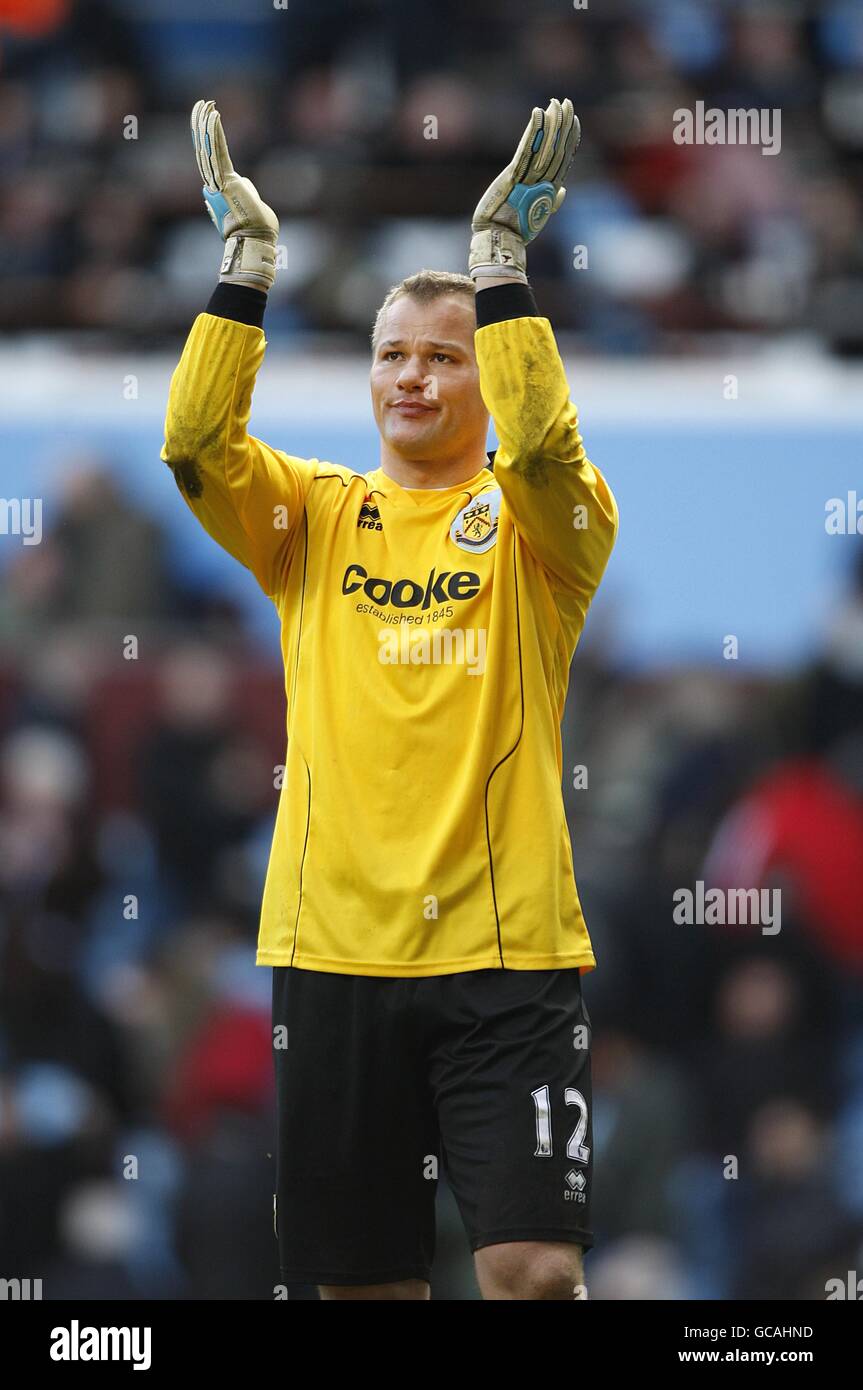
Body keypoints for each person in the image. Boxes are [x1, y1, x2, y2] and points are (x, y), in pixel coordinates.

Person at [161, 95, 618, 1300]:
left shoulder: (544, 532)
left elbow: (541, 453)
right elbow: (199, 449)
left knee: (531, 1273)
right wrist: (245, 275)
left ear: (487, 372)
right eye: (392, 353)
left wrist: (499, 272)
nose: (410, 376)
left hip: (505, 953)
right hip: (334, 950)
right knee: (362, 1288)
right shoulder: (309, 516)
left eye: (443, 354)